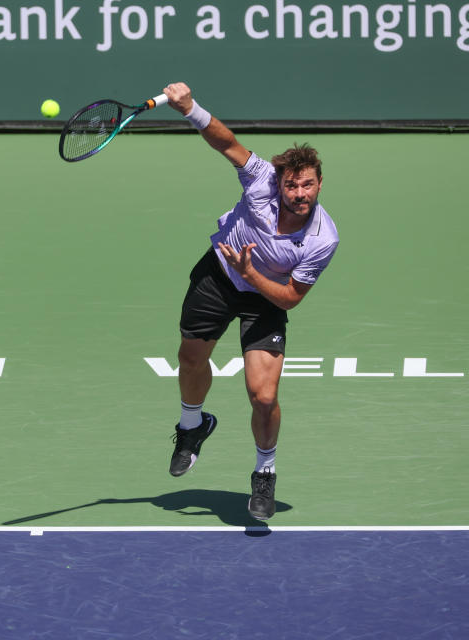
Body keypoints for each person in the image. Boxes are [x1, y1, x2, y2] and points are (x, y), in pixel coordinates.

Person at [161, 82, 339, 520]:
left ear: (320, 184)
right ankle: (192, 426)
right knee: (190, 357)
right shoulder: (260, 179)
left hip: (265, 295)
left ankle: (265, 473)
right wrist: (190, 108)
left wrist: (252, 274)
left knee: (263, 396)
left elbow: (291, 298)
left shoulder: (322, 239)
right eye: (292, 185)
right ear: (279, 183)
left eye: (308, 186)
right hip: (219, 275)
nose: (300, 194)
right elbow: (227, 143)